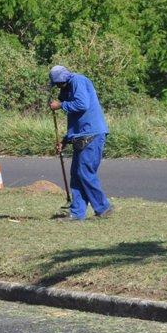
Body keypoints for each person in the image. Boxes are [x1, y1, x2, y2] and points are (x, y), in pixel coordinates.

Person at [49, 65, 112, 220]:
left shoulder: (78, 80)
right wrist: (65, 140)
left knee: (84, 173)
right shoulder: (69, 87)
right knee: (76, 174)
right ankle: (77, 213)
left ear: (63, 79)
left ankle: (103, 207)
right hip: (81, 136)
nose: (58, 87)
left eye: (58, 84)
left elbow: (82, 104)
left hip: (92, 134)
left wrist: (60, 105)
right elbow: (75, 120)